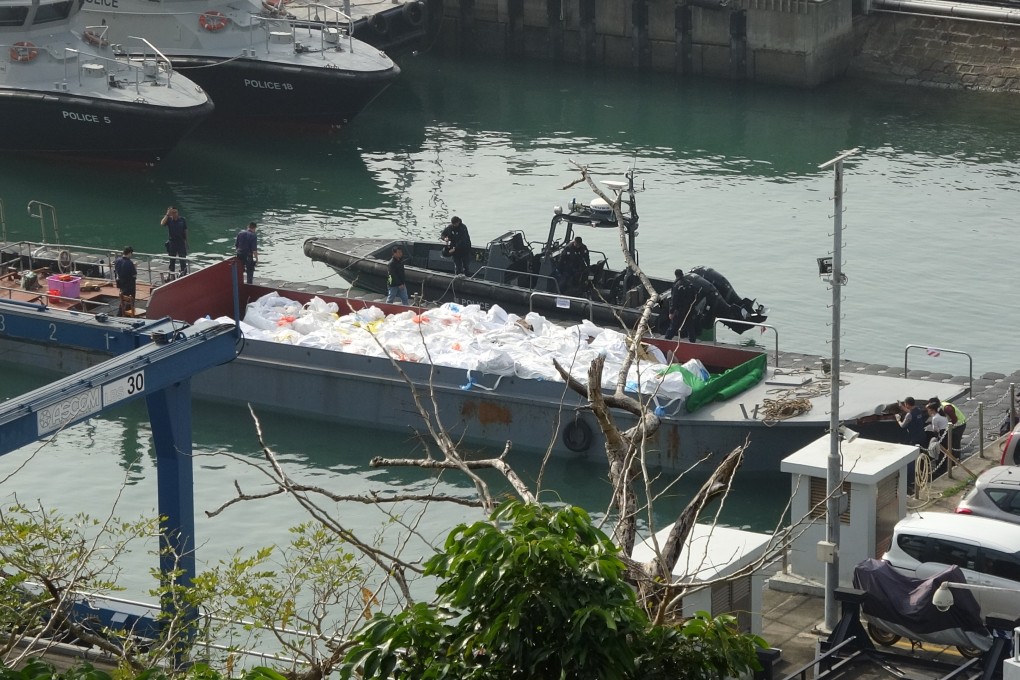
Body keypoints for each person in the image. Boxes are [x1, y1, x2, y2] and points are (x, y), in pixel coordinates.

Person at [664, 269, 697, 341]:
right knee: (690, 326)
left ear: (676, 275)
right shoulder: (690, 284)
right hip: (689, 309)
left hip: (679, 310)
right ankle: (693, 341)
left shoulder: (677, 285)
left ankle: (667, 339)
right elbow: (694, 297)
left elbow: (674, 299)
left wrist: (671, 312)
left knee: (674, 326)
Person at [160, 206, 188, 275]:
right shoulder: (169, 220)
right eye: (173, 212)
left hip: (181, 242)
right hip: (172, 242)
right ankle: (171, 274)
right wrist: (167, 214)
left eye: (176, 212)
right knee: (172, 260)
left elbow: (185, 230)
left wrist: (186, 242)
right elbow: (162, 223)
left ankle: (183, 273)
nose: (175, 214)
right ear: (171, 213)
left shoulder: (182, 220)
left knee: (183, 259)